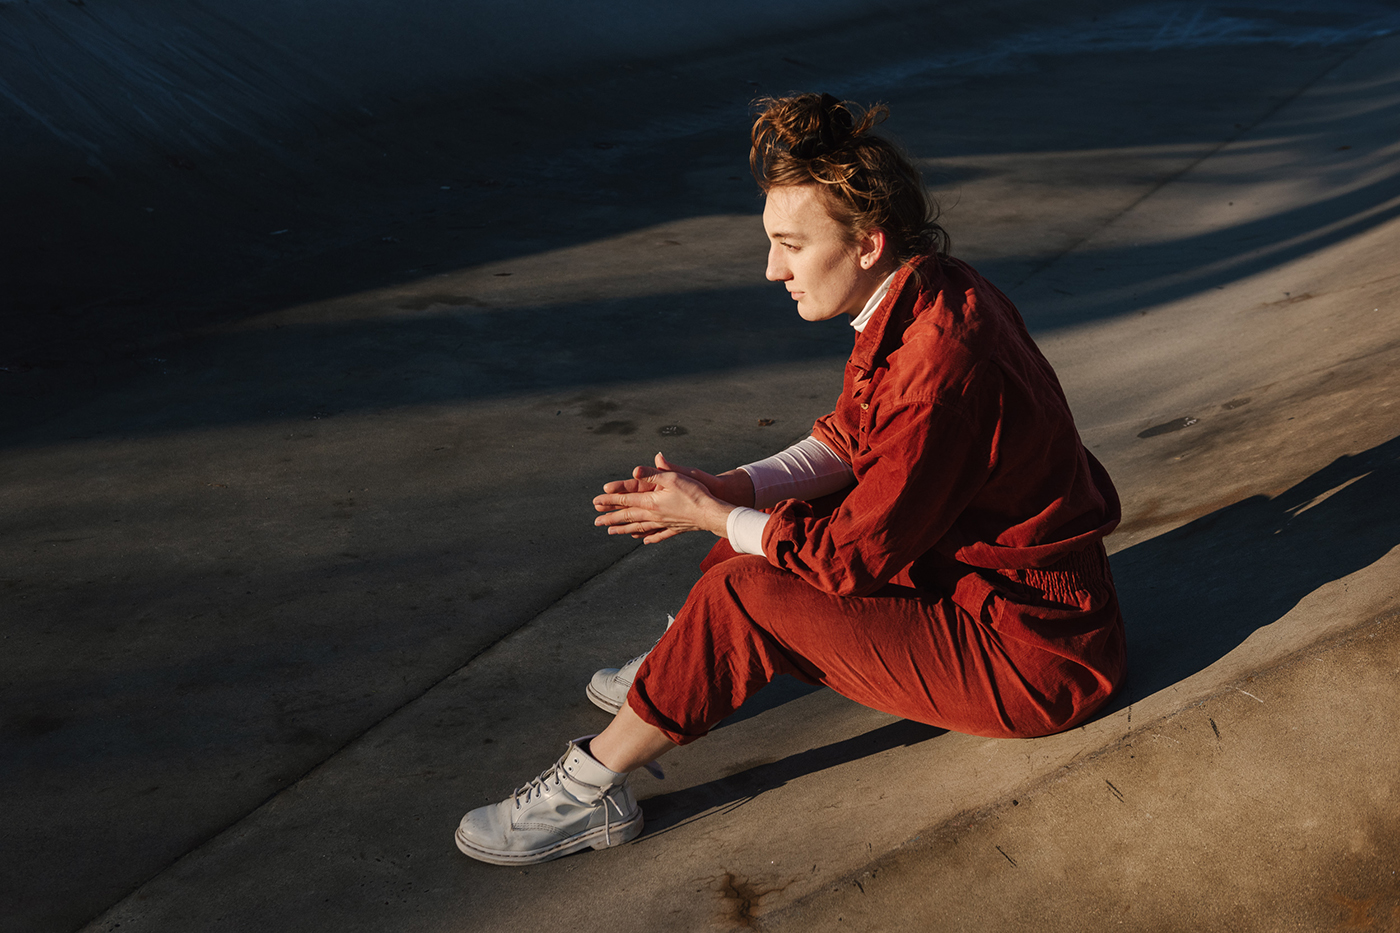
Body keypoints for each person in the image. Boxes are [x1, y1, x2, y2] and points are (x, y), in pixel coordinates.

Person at [454, 92, 1126, 866]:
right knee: (760, 531)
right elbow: (848, 439)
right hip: (988, 597)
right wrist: (731, 487)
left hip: (1033, 660)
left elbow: (846, 561)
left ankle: (590, 788)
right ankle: (680, 664)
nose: (771, 268)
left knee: (750, 586)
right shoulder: (925, 291)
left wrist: (711, 513)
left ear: (868, 242)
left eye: (790, 246)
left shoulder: (936, 368)